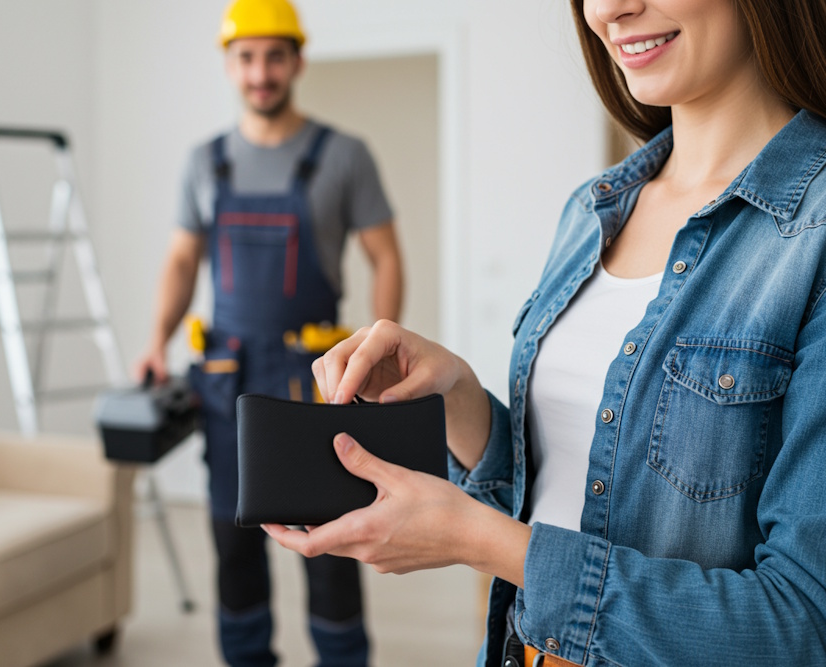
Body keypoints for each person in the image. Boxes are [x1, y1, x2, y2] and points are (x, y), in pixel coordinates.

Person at [264, 0, 826, 665]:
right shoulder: (592, 210)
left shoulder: (812, 233)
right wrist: (463, 401)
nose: (611, 9)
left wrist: (481, 541)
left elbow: (801, 625)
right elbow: (569, 491)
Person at [136, 1, 403, 665]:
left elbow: (386, 256)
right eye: (248, 58)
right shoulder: (205, 163)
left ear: (297, 61)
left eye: (275, 56)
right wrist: (154, 341)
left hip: (316, 384)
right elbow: (179, 261)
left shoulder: (343, 156)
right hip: (226, 382)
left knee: (332, 545)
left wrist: (379, 349)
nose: (261, 72)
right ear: (230, 65)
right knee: (235, 541)